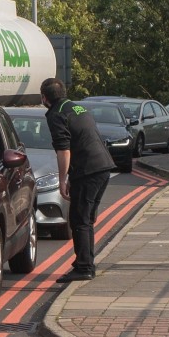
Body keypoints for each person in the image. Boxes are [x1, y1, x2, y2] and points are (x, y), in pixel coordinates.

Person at [41, 78, 117, 282]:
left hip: (88, 171)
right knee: (86, 218)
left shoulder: (56, 114)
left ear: (44, 97)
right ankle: (85, 262)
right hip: (103, 167)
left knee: (79, 219)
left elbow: (63, 150)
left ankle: (84, 268)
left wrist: (62, 180)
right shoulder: (78, 108)